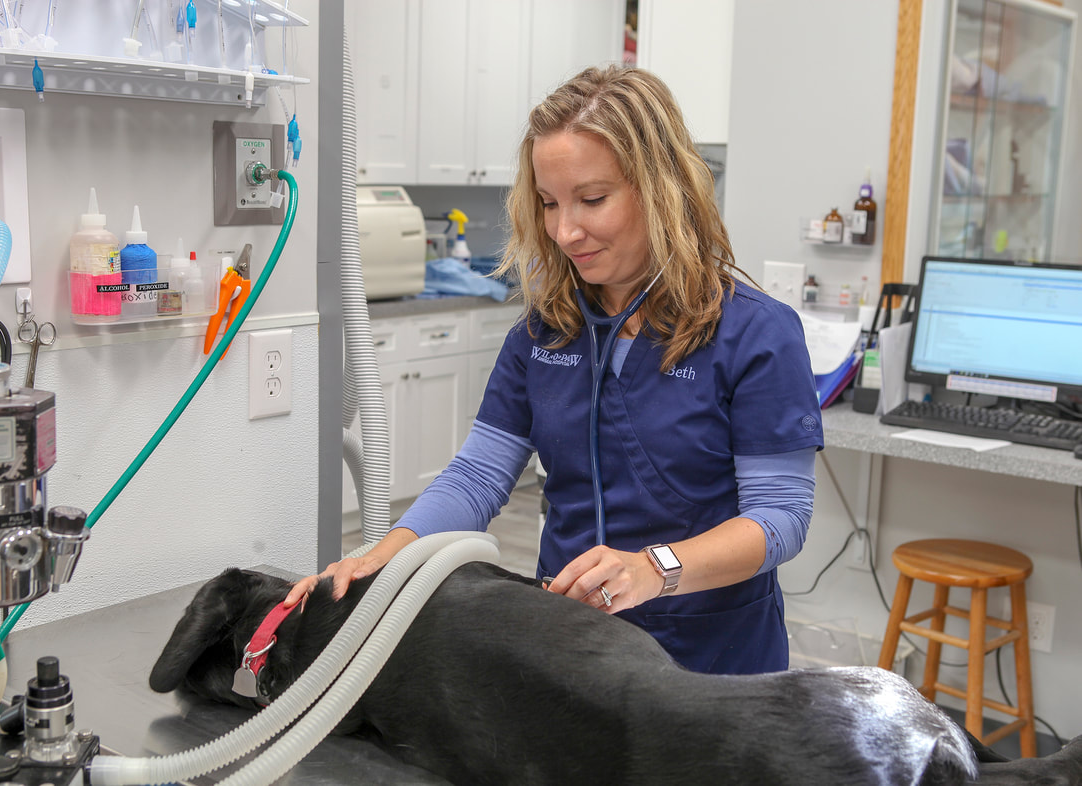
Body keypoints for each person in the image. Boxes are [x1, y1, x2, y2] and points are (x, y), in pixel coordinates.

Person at [286, 65, 824, 675]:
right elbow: (476, 479)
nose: (565, 231)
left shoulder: (755, 333)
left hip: (708, 654)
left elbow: (781, 518)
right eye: (548, 203)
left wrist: (654, 569)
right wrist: (383, 558)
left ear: (661, 188)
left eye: (592, 200)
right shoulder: (545, 332)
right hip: (569, 641)